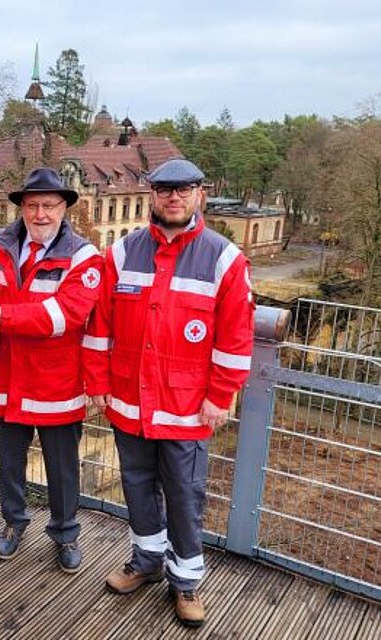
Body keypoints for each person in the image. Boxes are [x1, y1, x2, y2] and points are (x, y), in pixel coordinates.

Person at [82, 158, 254, 627]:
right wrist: (97, 382)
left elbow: (236, 339)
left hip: (185, 407)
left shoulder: (223, 258)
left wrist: (220, 396)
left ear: (200, 193)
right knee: (136, 487)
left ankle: (186, 582)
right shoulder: (122, 253)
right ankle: (146, 561)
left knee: (184, 494)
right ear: (151, 196)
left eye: (183, 190)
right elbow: (100, 326)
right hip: (128, 401)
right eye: (163, 190)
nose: (173, 198)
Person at [0, 167, 103, 573]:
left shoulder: (84, 256)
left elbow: (66, 315)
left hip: (56, 384)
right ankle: (13, 522)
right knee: (10, 463)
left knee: (61, 468)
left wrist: (2, 319)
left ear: (64, 208)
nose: (40, 214)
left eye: (49, 205)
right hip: (8, 378)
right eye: (32, 205)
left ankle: (66, 533)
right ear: (21, 208)